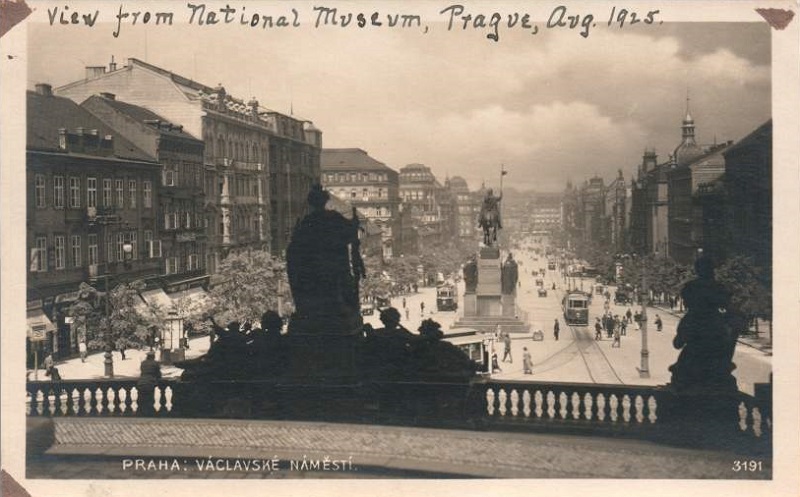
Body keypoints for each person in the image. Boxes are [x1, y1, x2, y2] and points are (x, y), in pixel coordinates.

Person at [137, 350, 161, 416]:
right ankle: (149, 412)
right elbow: (158, 374)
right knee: (149, 398)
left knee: (142, 398)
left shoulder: (143, 363)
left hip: (141, 382)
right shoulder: (155, 363)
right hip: (150, 383)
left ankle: (141, 412)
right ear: (153, 356)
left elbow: (142, 372)